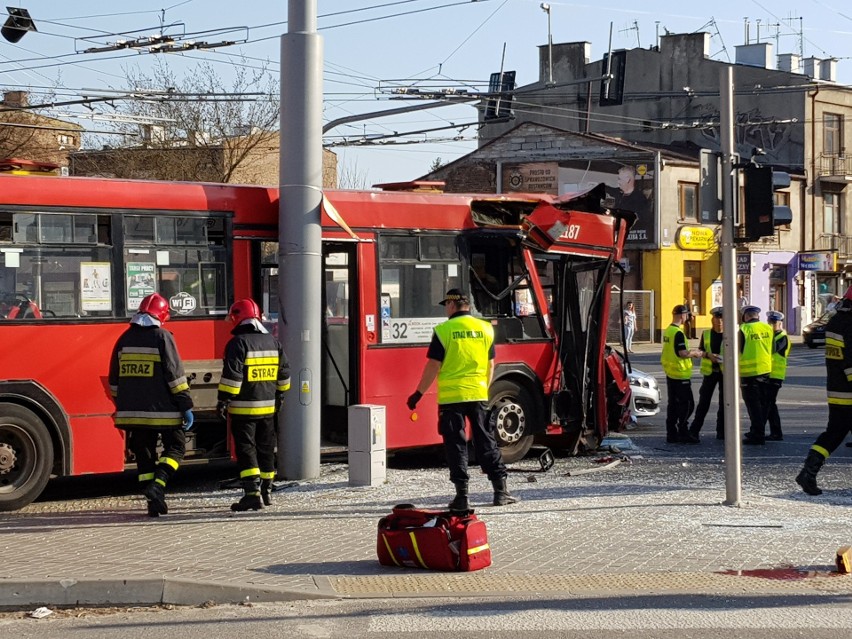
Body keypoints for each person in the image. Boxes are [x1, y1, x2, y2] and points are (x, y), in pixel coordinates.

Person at [406, 288, 517, 511]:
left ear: (451, 305)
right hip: (477, 395)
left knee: (456, 446)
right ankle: (501, 491)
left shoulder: (444, 330)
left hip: (451, 398)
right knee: (486, 441)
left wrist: (417, 393)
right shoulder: (485, 329)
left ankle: (462, 497)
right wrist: (483, 389)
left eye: (446, 305)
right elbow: (490, 365)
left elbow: (433, 366)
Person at [108, 292, 193, 517]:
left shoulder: (124, 339)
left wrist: (123, 403)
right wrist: (185, 404)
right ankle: (159, 483)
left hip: (132, 413)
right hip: (164, 412)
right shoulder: (163, 337)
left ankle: (155, 502)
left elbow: (114, 380)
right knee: (176, 448)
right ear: (162, 315)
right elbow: (174, 376)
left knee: (145, 456)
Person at [217, 299, 291, 512]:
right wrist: (280, 395)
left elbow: (232, 377)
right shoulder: (273, 342)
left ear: (237, 319)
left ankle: (252, 495)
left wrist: (223, 400)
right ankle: (267, 490)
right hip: (268, 408)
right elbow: (284, 373)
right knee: (266, 449)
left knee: (247, 450)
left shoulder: (238, 343)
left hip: (243, 409)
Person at [796, 286, 852, 495]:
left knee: (834, 433)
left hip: (837, 389)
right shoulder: (848, 323)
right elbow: (850, 360)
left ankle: (808, 473)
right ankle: (807, 473)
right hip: (849, 390)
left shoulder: (835, 321)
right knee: (835, 433)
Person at [660, 304, 701, 443]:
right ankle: (683, 431)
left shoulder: (668, 330)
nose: (688, 318)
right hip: (680, 374)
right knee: (688, 405)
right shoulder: (678, 333)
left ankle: (671, 433)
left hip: (671, 373)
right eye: (687, 315)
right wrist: (696, 353)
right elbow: (682, 353)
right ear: (683, 315)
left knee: (673, 405)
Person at [688, 306, 725, 442]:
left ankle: (722, 432)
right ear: (712, 319)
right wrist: (709, 355)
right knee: (703, 403)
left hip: (725, 373)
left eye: (721, 318)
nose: (719, 321)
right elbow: (701, 351)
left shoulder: (732, 333)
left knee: (724, 404)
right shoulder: (707, 334)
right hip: (710, 373)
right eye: (717, 318)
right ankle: (694, 431)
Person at [739, 306, 774, 446]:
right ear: (757, 316)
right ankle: (756, 430)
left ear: (746, 316)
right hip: (765, 371)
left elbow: (737, 350)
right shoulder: (767, 328)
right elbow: (773, 347)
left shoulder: (743, 330)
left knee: (753, 406)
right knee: (762, 404)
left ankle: (757, 434)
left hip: (749, 374)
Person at [763, 310, 791, 441]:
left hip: (776, 375)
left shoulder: (782, 337)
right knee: (769, 404)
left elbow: (771, 350)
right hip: (768, 374)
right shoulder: (771, 335)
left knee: (769, 404)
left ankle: (775, 432)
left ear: (780, 323)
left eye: (774, 322)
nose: (771, 325)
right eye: (770, 322)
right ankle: (773, 431)